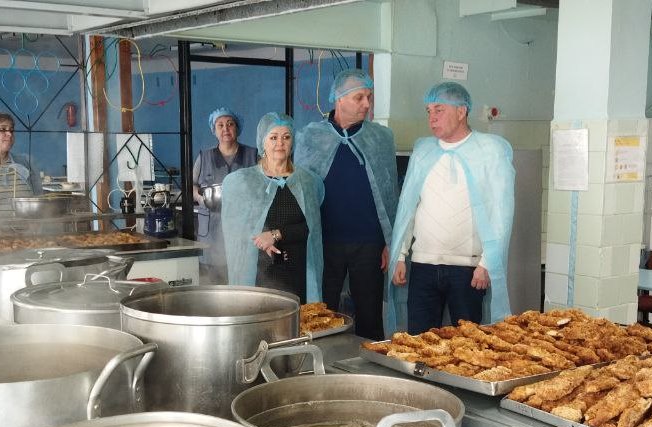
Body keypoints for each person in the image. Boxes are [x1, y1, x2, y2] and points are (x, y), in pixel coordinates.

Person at [388, 82, 515, 335]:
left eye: (439, 110)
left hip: (468, 270)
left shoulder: (489, 151)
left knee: (467, 344)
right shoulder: (423, 151)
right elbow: (408, 208)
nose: (432, 118)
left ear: (461, 111)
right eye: (428, 111)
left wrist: (487, 263)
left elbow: (500, 213)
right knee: (419, 342)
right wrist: (400, 255)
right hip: (423, 264)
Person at [295, 68, 398, 340]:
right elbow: (301, 194)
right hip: (325, 242)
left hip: (369, 244)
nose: (367, 104)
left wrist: (389, 241)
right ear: (339, 99)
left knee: (370, 316)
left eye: (369, 97)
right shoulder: (310, 137)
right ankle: (320, 362)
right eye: (359, 97)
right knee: (320, 314)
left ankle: (371, 365)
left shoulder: (381, 139)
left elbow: (390, 195)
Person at [221, 113, 324, 303]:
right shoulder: (243, 182)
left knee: (298, 318)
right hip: (260, 273)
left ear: (292, 142)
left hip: (299, 270)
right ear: (263, 142)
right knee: (261, 318)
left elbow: (312, 228)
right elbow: (236, 232)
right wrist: (261, 242)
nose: (280, 143)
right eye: (273, 137)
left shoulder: (307, 181)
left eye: (286, 137)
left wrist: (276, 234)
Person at [194, 107, 259, 284]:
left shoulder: (253, 155)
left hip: (244, 229)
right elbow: (192, 185)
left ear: (237, 128)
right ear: (214, 130)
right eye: (220, 125)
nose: (225, 129)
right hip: (212, 231)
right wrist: (200, 198)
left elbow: (265, 184)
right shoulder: (204, 157)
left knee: (244, 282)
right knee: (216, 286)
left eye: (230, 124)